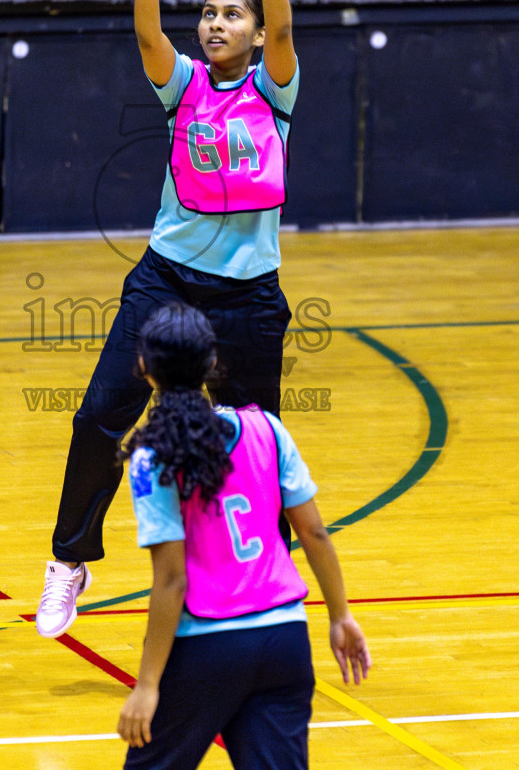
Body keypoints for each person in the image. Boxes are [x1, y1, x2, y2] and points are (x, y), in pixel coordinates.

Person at [37, 0, 300, 637]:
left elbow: (285, 30)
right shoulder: (182, 86)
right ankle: (69, 559)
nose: (216, 24)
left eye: (232, 15)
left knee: (254, 446)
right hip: (165, 284)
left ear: (253, 35)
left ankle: (262, 587)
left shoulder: (274, 90)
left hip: (248, 299)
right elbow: (148, 34)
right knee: (99, 416)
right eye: (209, 14)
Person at [115, 304, 369, 770]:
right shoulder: (268, 430)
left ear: (145, 369)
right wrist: (340, 615)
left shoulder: (153, 457)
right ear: (211, 364)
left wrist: (148, 685)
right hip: (284, 639)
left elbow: (172, 581)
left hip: (207, 647)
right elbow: (313, 532)